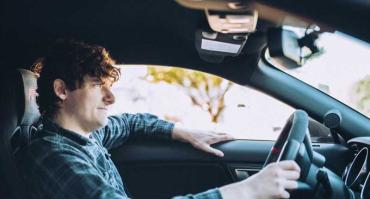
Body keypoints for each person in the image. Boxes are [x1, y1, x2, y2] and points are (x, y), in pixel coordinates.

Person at [16, 40, 301, 199]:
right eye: (96, 86)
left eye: (109, 88)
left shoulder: (85, 136)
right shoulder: (51, 155)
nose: (111, 99)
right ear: (62, 90)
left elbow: (130, 123)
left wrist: (180, 132)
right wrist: (245, 191)